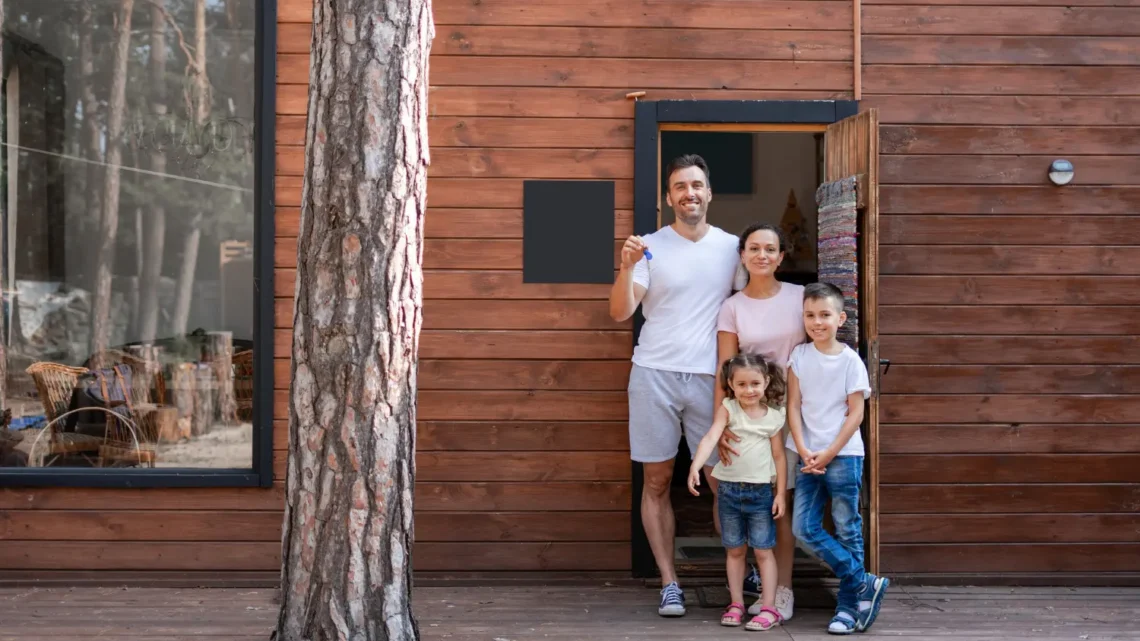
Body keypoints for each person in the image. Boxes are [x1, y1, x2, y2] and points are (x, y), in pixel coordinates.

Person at [609, 154, 740, 617]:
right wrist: (625, 267)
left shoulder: (731, 247)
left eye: (697, 185)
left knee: (722, 478)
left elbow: (747, 308)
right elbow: (621, 312)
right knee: (658, 480)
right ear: (669, 197)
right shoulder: (649, 247)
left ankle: (739, 582)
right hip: (654, 374)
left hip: (711, 380)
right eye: (680, 186)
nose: (689, 193)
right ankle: (669, 581)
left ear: (709, 193)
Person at [786, 282, 889, 635]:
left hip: (843, 455)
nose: (817, 322)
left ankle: (848, 607)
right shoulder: (799, 356)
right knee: (803, 528)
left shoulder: (850, 362)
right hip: (807, 455)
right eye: (810, 315)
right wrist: (802, 449)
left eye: (824, 315)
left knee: (847, 528)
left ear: (840, 318)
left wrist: (828, 453)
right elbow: (793, 405)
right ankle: (863, 581)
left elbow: (856, 415)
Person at [715, 223, 805, 621]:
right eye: (754, 248)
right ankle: (756, 583)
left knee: (781, 501)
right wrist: (721, 427)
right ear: (743, 255)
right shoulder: (732, 306)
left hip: (797, 409)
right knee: (751, 499)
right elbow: (724, 370)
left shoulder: (801, 297)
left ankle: (783, 590)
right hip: (751, 416)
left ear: (781, 256)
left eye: (770, 249)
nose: (762, 255)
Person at [687, 353, 787, 631]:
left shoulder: (774, 416)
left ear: (766, 382)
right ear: (731, 384)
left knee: (764, 551)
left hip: (761, 493)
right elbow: (710, 437)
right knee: (734, 551)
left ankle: (768, 607)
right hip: (729, 492)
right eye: (741, 384)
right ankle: (736, 603)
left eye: (755, 383)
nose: (749, 390)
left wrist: (780, 493)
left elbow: (779, 457)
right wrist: (695, 466)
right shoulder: (728, 409)